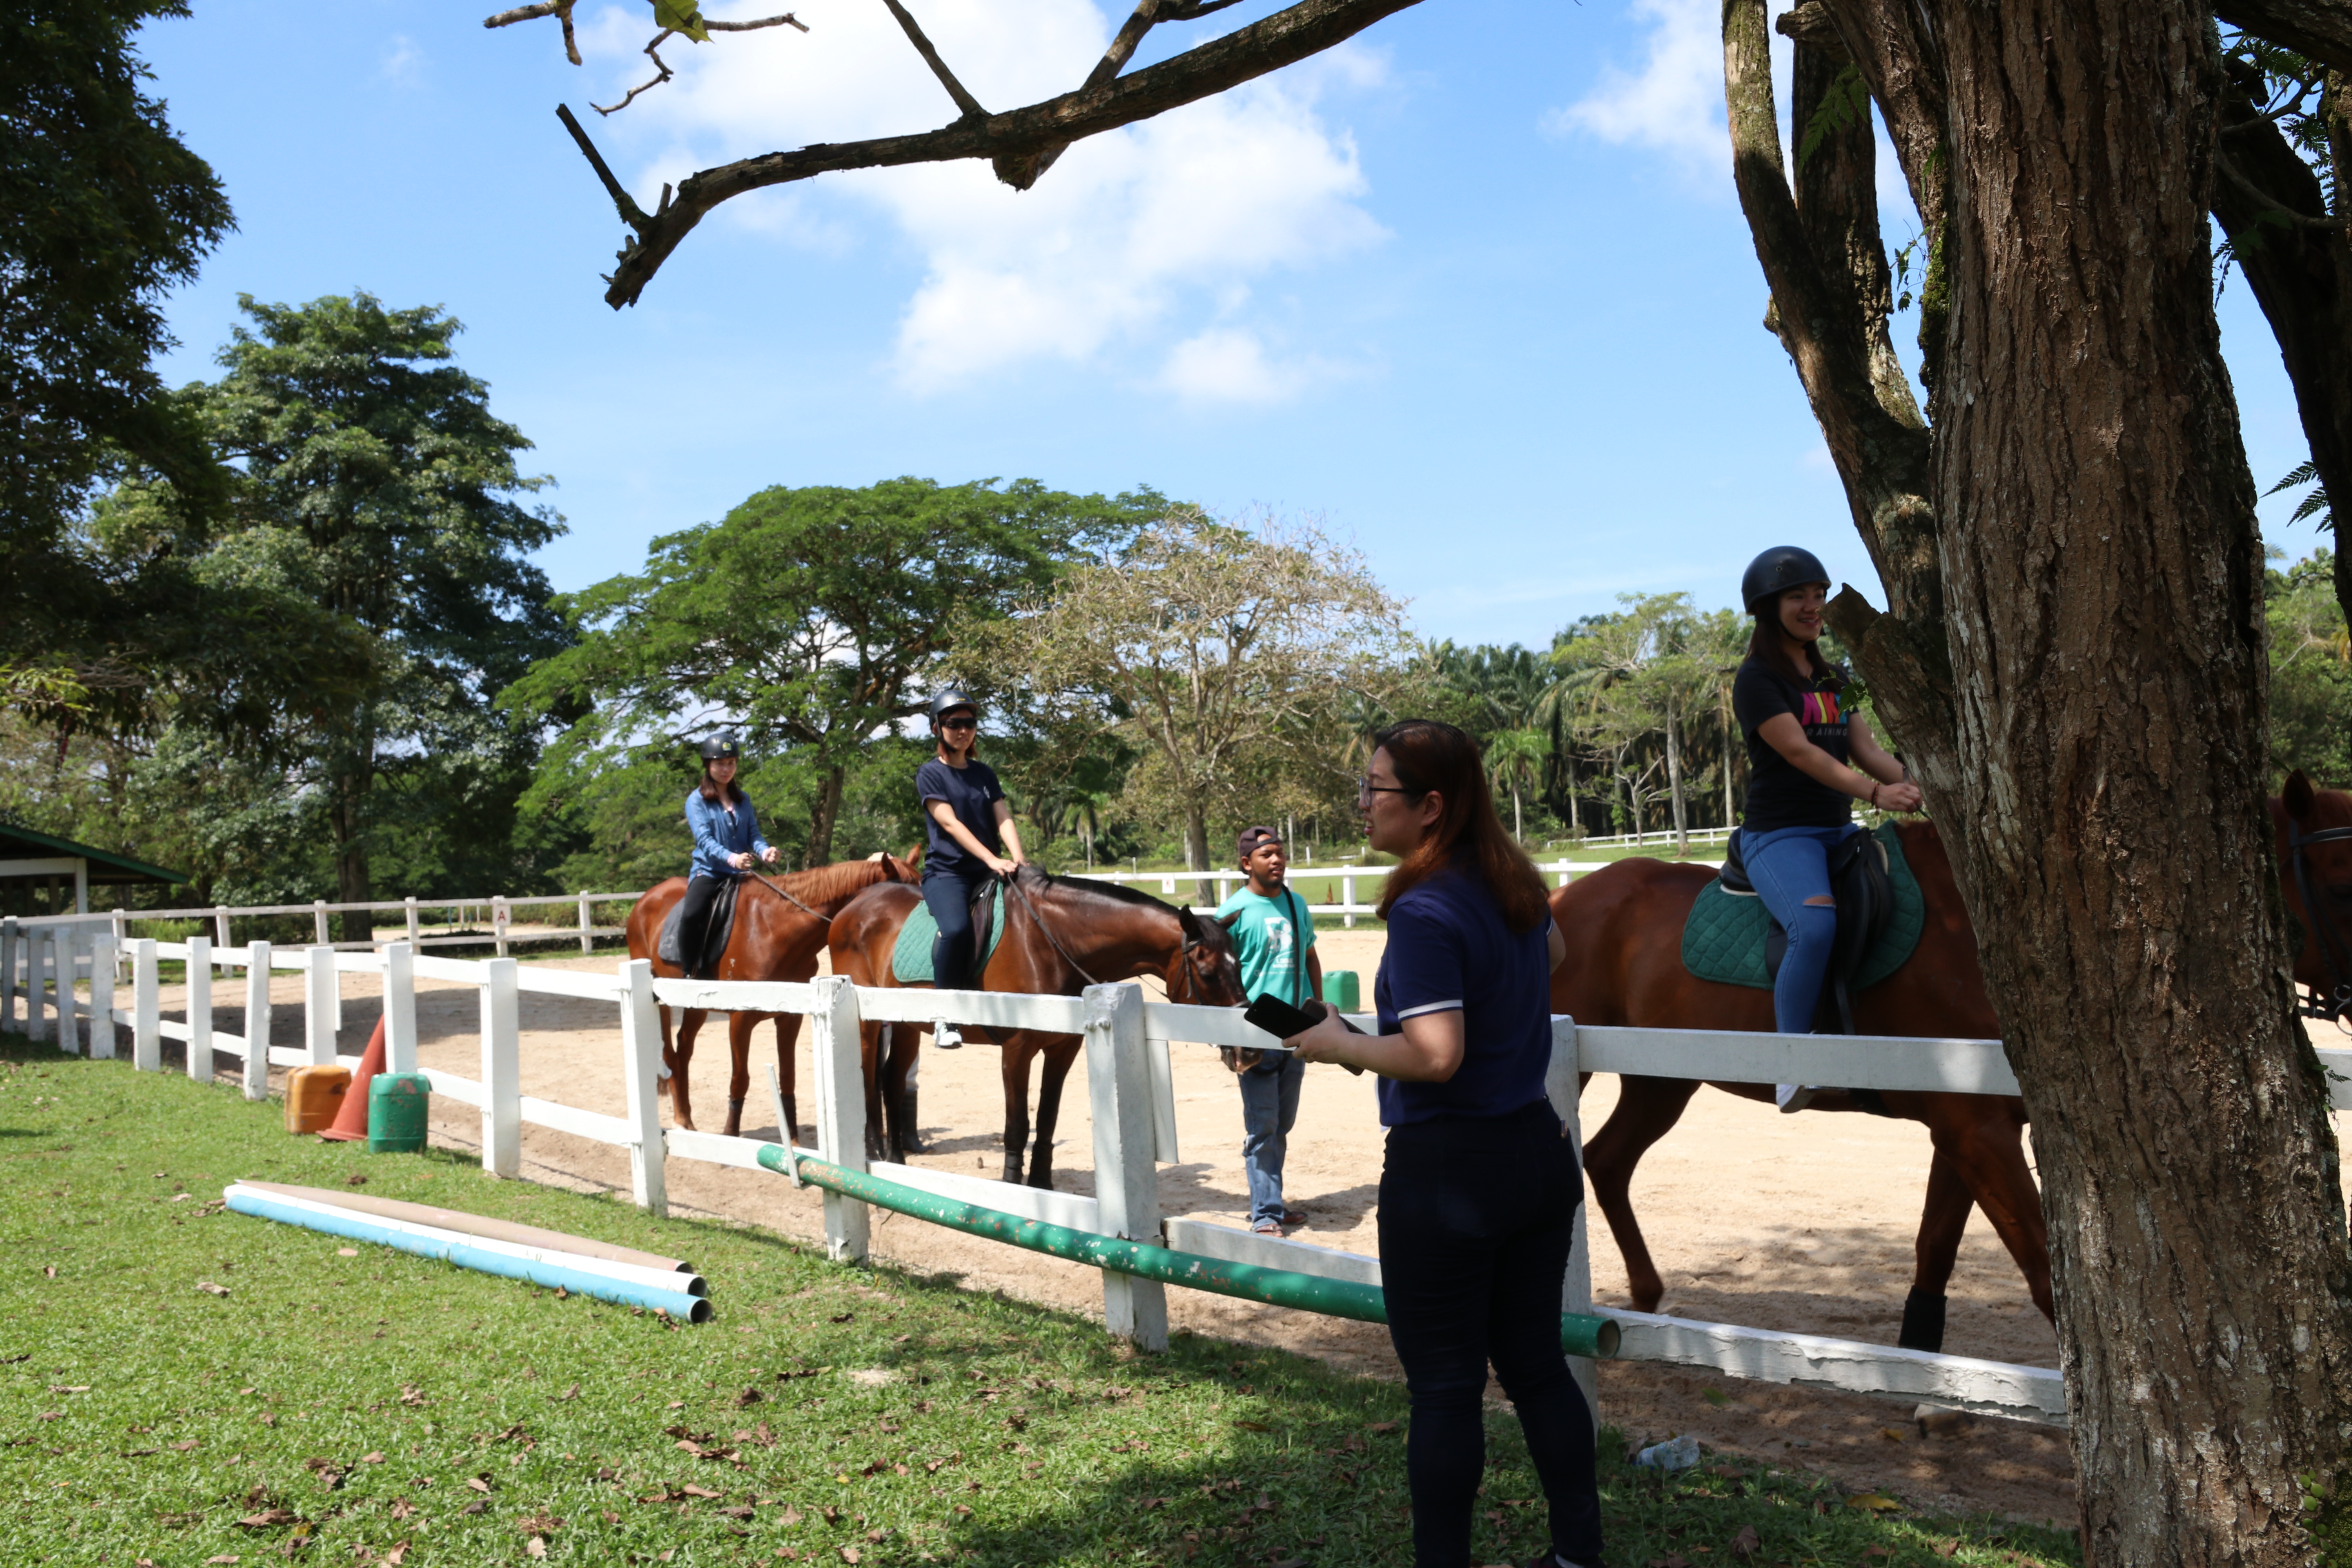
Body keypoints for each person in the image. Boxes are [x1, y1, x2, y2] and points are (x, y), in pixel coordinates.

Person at [1286, 720, 1602, 1568]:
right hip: (1536, 1153)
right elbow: (1555, 951)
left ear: (1430, 806)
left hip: (1451, 1173)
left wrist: (1340, 1043)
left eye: (1375, 787)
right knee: (1537, 1367)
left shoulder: (1425, 908)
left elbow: (1435, 1055)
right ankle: (1578, 1554)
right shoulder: (1511, 883)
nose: (1362, 802)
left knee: (1447, 1388)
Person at [1732, 546, 1922, 1111]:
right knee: (1814, 926)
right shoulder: (1755, 680)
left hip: (1838, 829)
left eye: (1818, 595)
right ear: (1768, 608)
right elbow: (1799, 752)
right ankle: (1793, 1064)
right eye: (1798, 597)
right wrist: (1876, 794)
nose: (1813, 606)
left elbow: (1866, 749)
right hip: (1780, 834)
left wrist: (1922, 785)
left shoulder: (1837, 676)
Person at [1215, 826, 1323, 1237]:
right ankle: (1265, 1214)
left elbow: (1310, 957)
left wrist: (1320, 1009)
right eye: (1267, 855)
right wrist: (1228, 1036)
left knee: (1282, 1125)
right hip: (1255, 1033)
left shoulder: (1297, 904)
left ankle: (1272, 1202)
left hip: (1295, 1031)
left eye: (1280, 852)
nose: (1277, 860)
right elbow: (1218, 980)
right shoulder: (1233, 913)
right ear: (1247, 863)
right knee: (1262, 1126)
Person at [915, 690, 1025, 1049]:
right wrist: (992, 859)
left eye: (969, 723)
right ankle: (945, 1018)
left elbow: (1003, 817)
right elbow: (950, 824)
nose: (963, 730)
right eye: (954, 724)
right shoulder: (930, 774)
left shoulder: (983, 773)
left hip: (990, 871)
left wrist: (1019, 858)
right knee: (957, 929)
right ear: (938, 728)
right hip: (948, 874)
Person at [677, 733, 779, 978]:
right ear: (708, 765)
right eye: (720, 764)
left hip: (742, 874)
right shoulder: (696, 801)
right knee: (691, 915)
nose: (726, 769)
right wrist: (732, 859)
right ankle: (689, 972)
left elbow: (753, 833)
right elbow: (705, 840)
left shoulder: (743, 799)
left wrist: (764, 851)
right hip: (710, 872)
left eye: (731, 763)